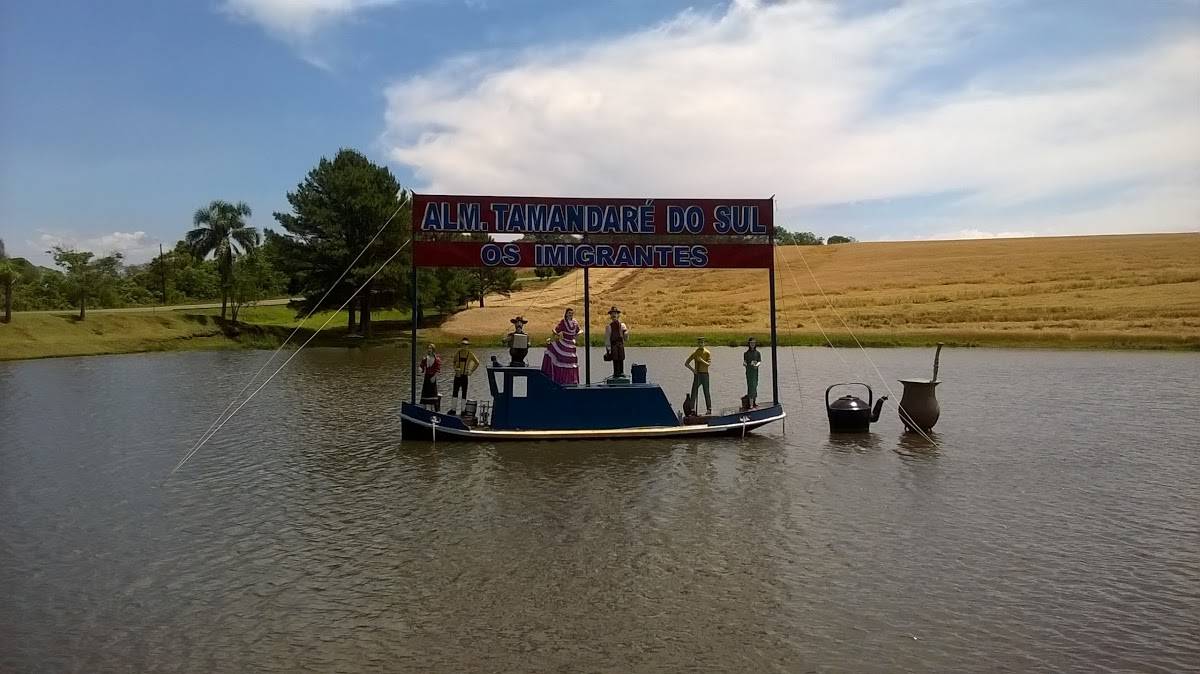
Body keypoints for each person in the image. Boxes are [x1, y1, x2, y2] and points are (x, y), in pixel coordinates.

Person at [541, 308, 580, 385]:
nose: (570, 314)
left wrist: (577, 334)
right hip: (564, 343)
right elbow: (556, 330)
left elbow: (578, 330)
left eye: (572, 313)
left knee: (572, 360)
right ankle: (561, 379)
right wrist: (552, 337)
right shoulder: (563, 322)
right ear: (566, 314)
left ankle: (571, 380)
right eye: (569, 313)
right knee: (561, 358)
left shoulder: (575, 322)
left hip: (571, 344)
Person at [449, 337, 480, 414]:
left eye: (466, 345)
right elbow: (454, 362)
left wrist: (471, 371)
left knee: (464, 392)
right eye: (463, 344)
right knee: (455, 392)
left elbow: (477, 363)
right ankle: (453, 409)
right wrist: (455, 369)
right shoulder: (458, 353)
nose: (464, 346)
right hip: (457, 375)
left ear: (468, 346)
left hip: (465, 376)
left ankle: (463, 410)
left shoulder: (470, 354)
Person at [684, 336, 712, 415]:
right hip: (697, 375)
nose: (701, 344)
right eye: (699, 343)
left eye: (702, 342)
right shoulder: (695, 353)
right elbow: (686, 363)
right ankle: (692, 409)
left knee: (706, 391)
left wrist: (701, 360)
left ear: (704, 343)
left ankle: (709, 409)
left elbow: (708, 364)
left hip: (705, 374)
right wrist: (693, 370)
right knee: (694, 391)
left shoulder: (707, 352)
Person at [604, 306, 629, 378]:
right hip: (613, 344)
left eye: (615, 313)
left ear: (618, 315)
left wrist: (626, 334)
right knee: (615, 358)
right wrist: (608, 348)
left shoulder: (622, 325)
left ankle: (621, 372)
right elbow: (607, 338)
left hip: (620, 343)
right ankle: (616, 372)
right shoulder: (609, 326)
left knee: (621, 357)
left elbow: (625, 334)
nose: (614, 315)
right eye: (612, 314)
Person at [418, 343, 442, 410]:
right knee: (425, 394)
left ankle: (432, 408)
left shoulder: (437, 359)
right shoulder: (425, 358)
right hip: (427, 377)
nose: (429, 349)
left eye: (430, 348)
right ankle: (425, 408)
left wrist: (434, 377)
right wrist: (420, 369)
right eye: (428, 348)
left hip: (432, 377)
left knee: (432, 393)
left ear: (433, 349)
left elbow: (437, 369)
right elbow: (422, 366)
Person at [743, 336, 761, 409]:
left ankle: (754, 402)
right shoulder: (746, 353)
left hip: (755, 372)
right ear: (749, 344)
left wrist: (757, 365)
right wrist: (744, 364)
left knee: (755, 385)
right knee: (750, 386)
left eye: (753, 343)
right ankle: (751, 404)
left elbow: (759, 361)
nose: (752, 344)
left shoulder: (758, 353)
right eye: (751, 343)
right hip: (749, 372)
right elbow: (745, 361)